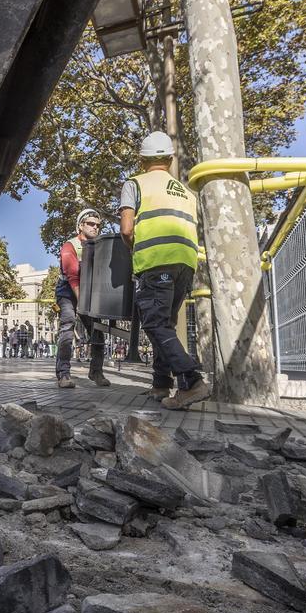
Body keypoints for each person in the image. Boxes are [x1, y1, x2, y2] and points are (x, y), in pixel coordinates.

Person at [119, 132, 209, 409]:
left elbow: (126, 228)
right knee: (165, 325)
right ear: (170, 159)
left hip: (156, 262)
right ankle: (161, 385)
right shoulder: (186, 192)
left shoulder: (134, 183)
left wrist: (135, 248)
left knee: (155, 324)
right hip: (186, 264)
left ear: (141, 159)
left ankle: (192, 381)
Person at [55, 208, 109, 389]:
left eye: (98, 225)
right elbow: (73, 277)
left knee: (97, 331)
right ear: (80, 226)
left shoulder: (100, 246)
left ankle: (96, 372)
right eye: (91, 224)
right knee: (68, 326)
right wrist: (81, 303)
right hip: (69, 292)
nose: (95, 228)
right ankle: (63, 374)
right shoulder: (70, 246)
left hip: (90, 292)